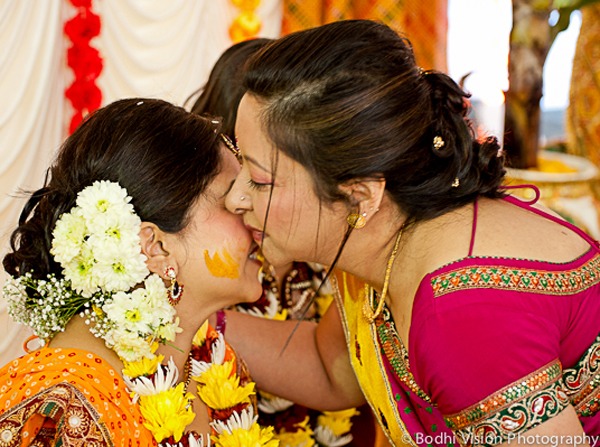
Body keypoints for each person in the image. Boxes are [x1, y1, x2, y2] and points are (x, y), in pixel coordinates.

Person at [220, 20, 600, 447]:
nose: (234, 199)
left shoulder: (461, 311)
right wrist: (182, 317)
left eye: (258, 179)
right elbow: (330, 367)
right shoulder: (395, 231)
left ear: (360, 195)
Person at [0, 98, 278, 446]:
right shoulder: (63, 411)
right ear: (155, 247)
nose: (256, 215)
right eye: (232, 200)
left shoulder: (213, 365)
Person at [191, 39, 374, 447]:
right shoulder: (197, 258)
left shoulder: (333, 237)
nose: (243, 199)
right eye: (245, 173)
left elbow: (335, 372)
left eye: (262, 179)